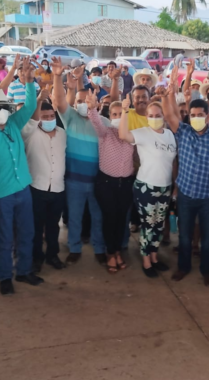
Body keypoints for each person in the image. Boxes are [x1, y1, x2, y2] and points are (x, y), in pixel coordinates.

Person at [0, 57, 43, 296]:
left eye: (4, 107)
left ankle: (23, 271)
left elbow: (31, 106)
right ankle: (5, 277)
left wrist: (30, 81)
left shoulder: (14, 123)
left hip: (23, 189)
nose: (0, 112)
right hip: (1, 196)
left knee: (27, 233)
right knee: (4, 239)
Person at [160, 65, 209, 285]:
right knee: (184, 236)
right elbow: (169, 114)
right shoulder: (183, 132)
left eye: (200, 115)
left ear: (208, 115)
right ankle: (183, 267)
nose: (196, 118)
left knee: (208, 239)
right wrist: (167, 94)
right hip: (186, 195)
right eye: (192, 115)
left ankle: (206, 270)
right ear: (189, 116)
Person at [50, 57, 107, 265]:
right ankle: (74, 247)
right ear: (75, 104)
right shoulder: (70, 118)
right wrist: (57, 78)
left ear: (97, 104)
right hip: (74, 180)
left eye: (88, 101)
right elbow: (58, 100)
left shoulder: (104, 123)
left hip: (97, 181)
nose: (84, 104)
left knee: (97, 217)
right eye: (80, 101)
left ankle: (99, 247)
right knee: (74, 216)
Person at [118, 96, 176, 278]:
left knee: (159, 225)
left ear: (163, 116)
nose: (154, 118)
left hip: (165, 186)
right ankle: (146, 260)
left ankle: (154, 256)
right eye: (151, 115)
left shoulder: (170, 135)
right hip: (146, 186)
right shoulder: (143, 132)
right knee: (148, 225)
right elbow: (123, 135)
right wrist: (125, 112)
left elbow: (173, 163)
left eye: (157, 115)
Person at [82, 90, 134, 273]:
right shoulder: (105, 133)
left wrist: (128, 111)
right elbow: (96, 122)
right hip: (106, 184)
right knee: (110, 218)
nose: (118, 117)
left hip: (126, 184)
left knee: (121, 220)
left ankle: (117, 251)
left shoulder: (132, 136)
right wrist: (92, 108)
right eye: (114, 114)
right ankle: (110, 253)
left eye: (121, 114)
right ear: (109, 116)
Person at [21, 85, 66, 273]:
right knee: (37, 227)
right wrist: (39, 100)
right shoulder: (30, 133)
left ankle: (52, 255)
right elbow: (30, 122)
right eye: (44, 117)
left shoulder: (63, 134)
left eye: (51, 117)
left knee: (54, 226)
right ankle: (36, 257)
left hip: (58, 188)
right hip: (37, 187)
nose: (48, 120)